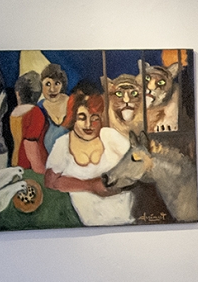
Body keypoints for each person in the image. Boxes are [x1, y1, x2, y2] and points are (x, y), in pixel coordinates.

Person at [45, 85, 133, 226]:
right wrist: (90, 186)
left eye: (94, 118)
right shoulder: (63, 144)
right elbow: (51, 182)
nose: (88, 124)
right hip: (87, 224)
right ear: (73, 118)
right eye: (82, 118)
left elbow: (137, 161)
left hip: (125, 219)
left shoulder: (109, 136)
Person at [9, 71, 48, 174]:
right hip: (30, 165)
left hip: (15, 161)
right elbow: (30, 143)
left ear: (18, 93)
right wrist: (39, 168)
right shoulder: (35, 113)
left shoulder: (14, 112)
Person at [39, 63, 70, 154]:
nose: (52, 89)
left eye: (57, 83)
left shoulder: (72, 103)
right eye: (48, 84)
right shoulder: (39, 108)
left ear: (62, 85)